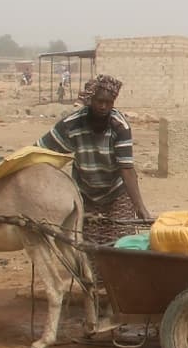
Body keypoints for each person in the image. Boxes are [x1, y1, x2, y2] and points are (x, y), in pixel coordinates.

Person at [39, 73, 150, 246]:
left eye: (109, 103)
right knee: (88, 247)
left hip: (116, 194)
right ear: (90, 100)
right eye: (99, 101)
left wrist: (139, 206)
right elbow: (42, 149)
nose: (103, 107)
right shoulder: (72, 124)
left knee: (122, 244)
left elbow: (126, 169)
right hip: (85, 195)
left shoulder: (119, 126)